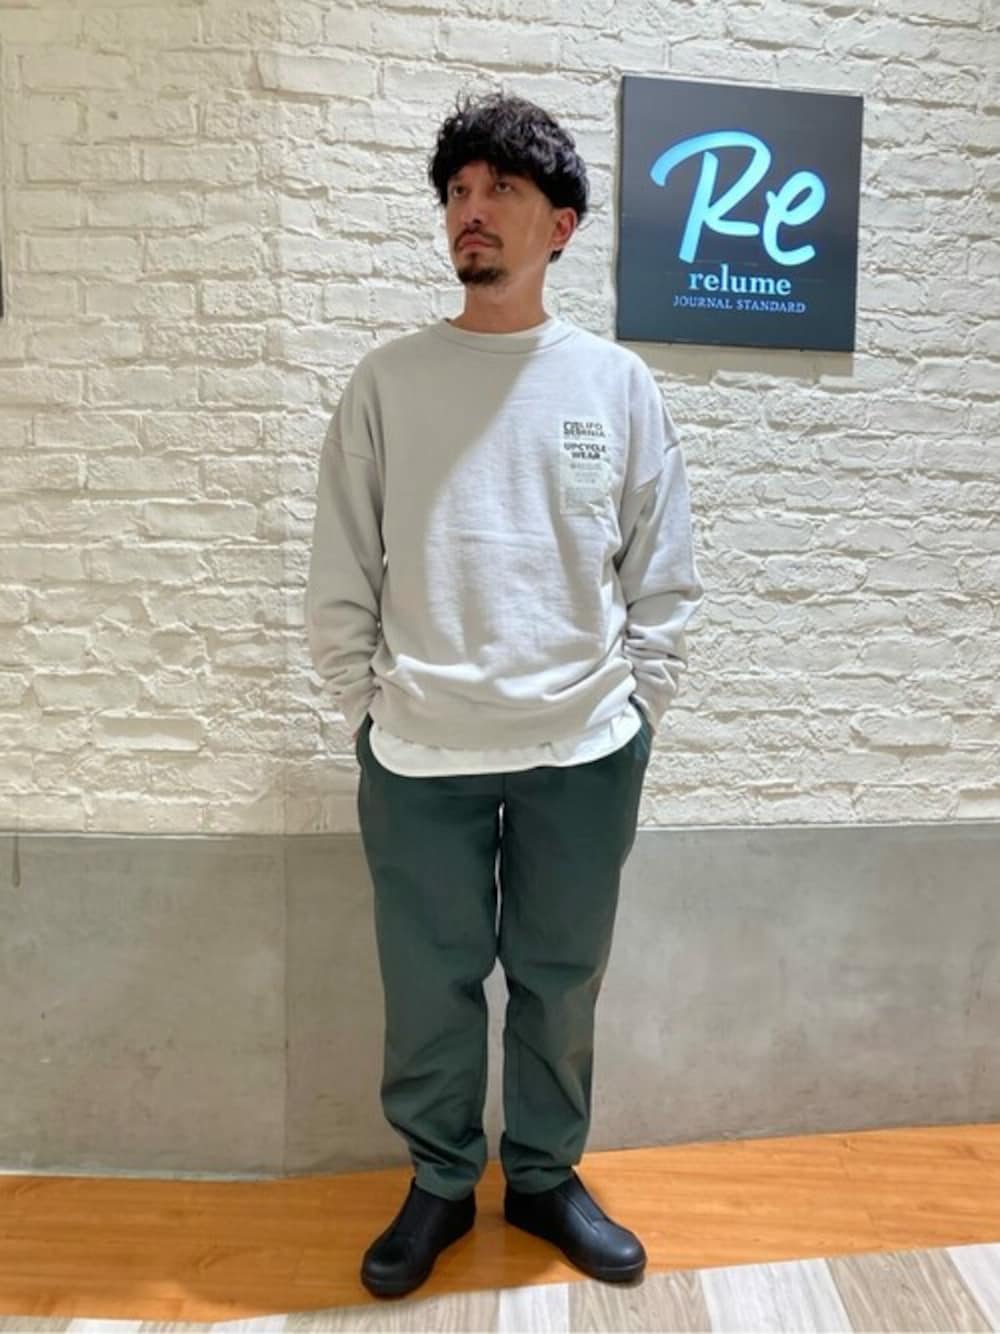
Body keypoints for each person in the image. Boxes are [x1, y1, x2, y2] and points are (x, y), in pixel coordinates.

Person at [305, 89, 703, 1300]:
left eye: (501, 192)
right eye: (457, 193)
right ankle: (438, 1179)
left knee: (560, 975)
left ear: (560, 226)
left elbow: (661, 566)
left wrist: (640, 706)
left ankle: (540, 1175)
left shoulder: (614, 383)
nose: (470, 212)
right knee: (426, 985)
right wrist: (363, 706)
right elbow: (342, 563)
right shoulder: (388, 382)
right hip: (417, 747)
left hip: (582, 746)